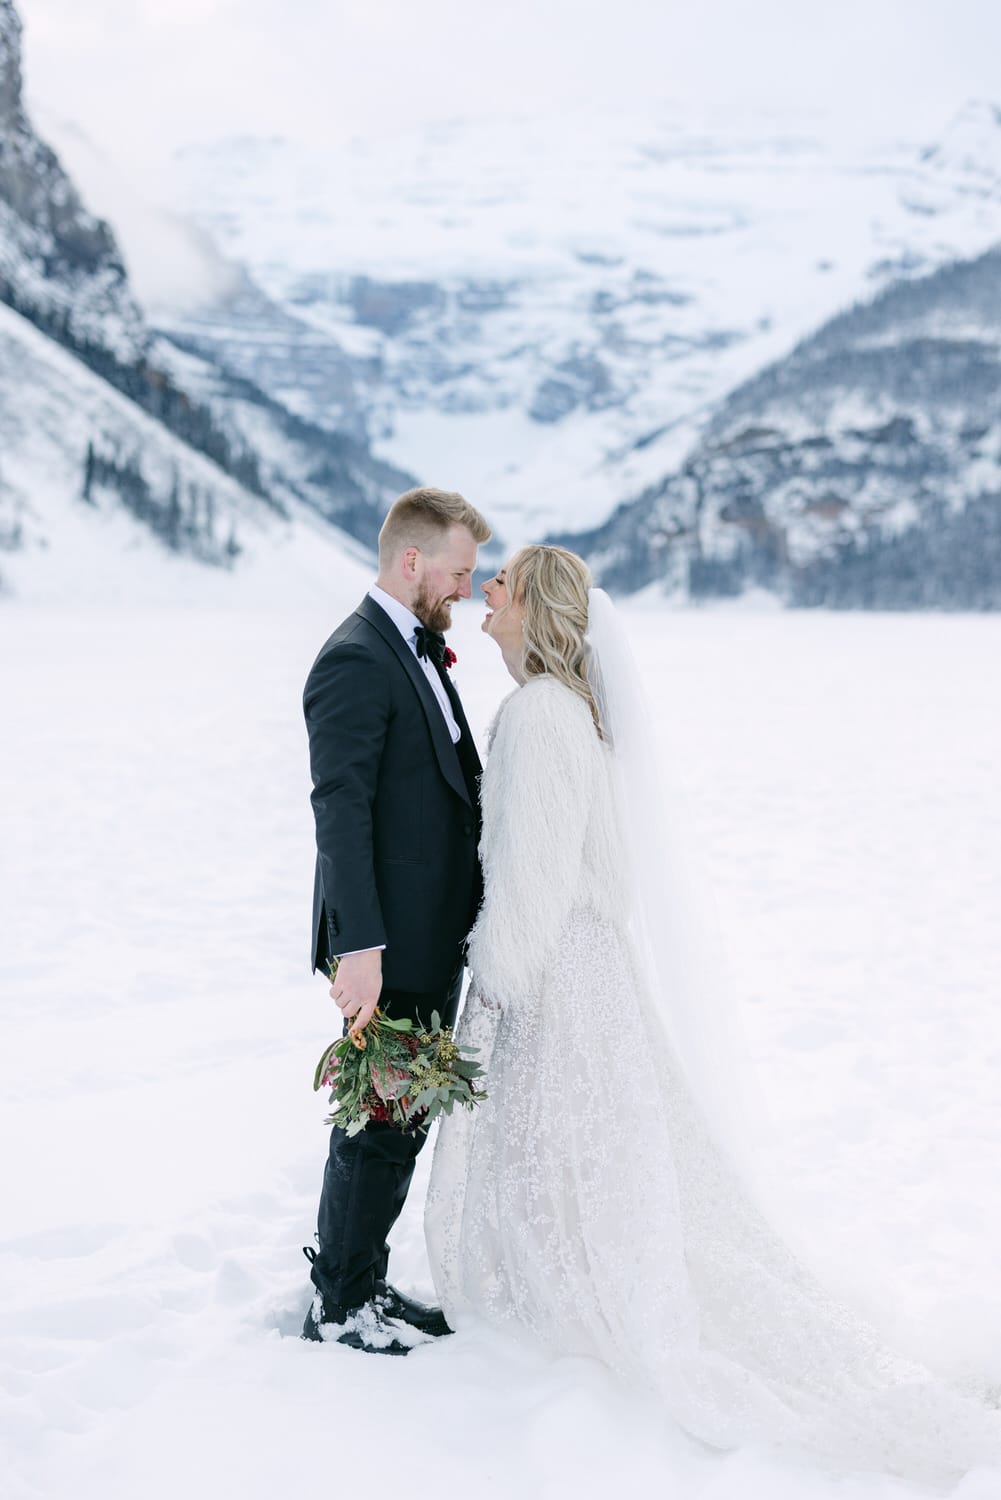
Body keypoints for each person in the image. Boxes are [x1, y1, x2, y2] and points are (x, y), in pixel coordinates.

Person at [425, 543, 1001, 1485]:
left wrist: (491, 982)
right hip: (595, 970)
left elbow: (533, 875)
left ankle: (564, 1299)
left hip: (557, 974)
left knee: (565, 1146)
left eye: (501, 583)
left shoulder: (535, 714)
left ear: (534, 608)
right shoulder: (578, 712)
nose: (483, 592)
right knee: (603, 1153)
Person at [301, 485, 491, 1353]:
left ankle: (365, 1281)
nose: (463, 588)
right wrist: (360, 948)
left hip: (425, 934)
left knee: (400, 1119)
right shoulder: (354, 659)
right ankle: (340, 1304)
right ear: (411, 561)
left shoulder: (412, 649)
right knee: (376, 1120)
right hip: (387, 941)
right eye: (456, 571)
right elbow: (340, 809)